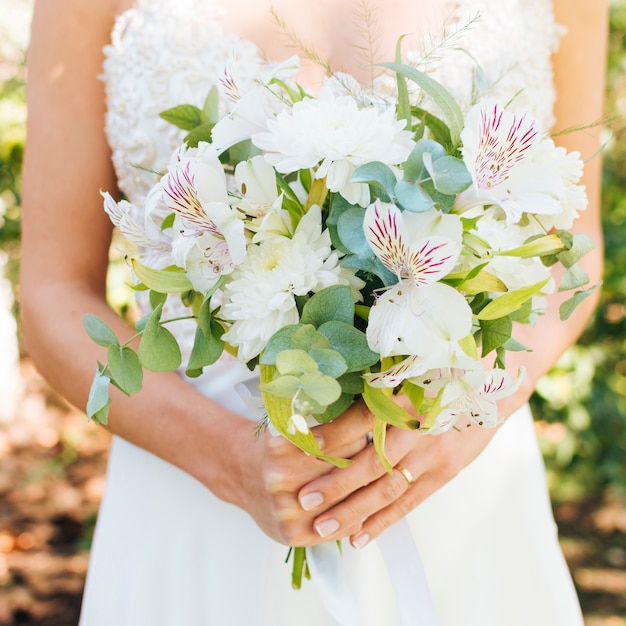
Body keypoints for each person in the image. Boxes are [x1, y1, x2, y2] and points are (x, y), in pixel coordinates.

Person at [21, 0, 606, 624]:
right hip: (194, 492)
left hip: (462, 488)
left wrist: (471, 415)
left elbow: (573, 256)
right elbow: (53, 294)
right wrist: (230, 460)